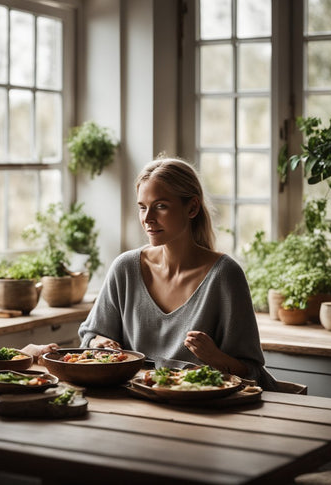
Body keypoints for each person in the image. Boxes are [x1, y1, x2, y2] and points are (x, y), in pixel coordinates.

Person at [23, 156, 277, 390]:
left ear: (192, 208)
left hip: (206, 412)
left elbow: (252, 371)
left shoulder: (224, 276)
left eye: (161, 206)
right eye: (142, 207)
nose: (148, 218)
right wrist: (98, 343)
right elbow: (90, 334)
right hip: (137, 403)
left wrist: (215, 358)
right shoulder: (125, 268)